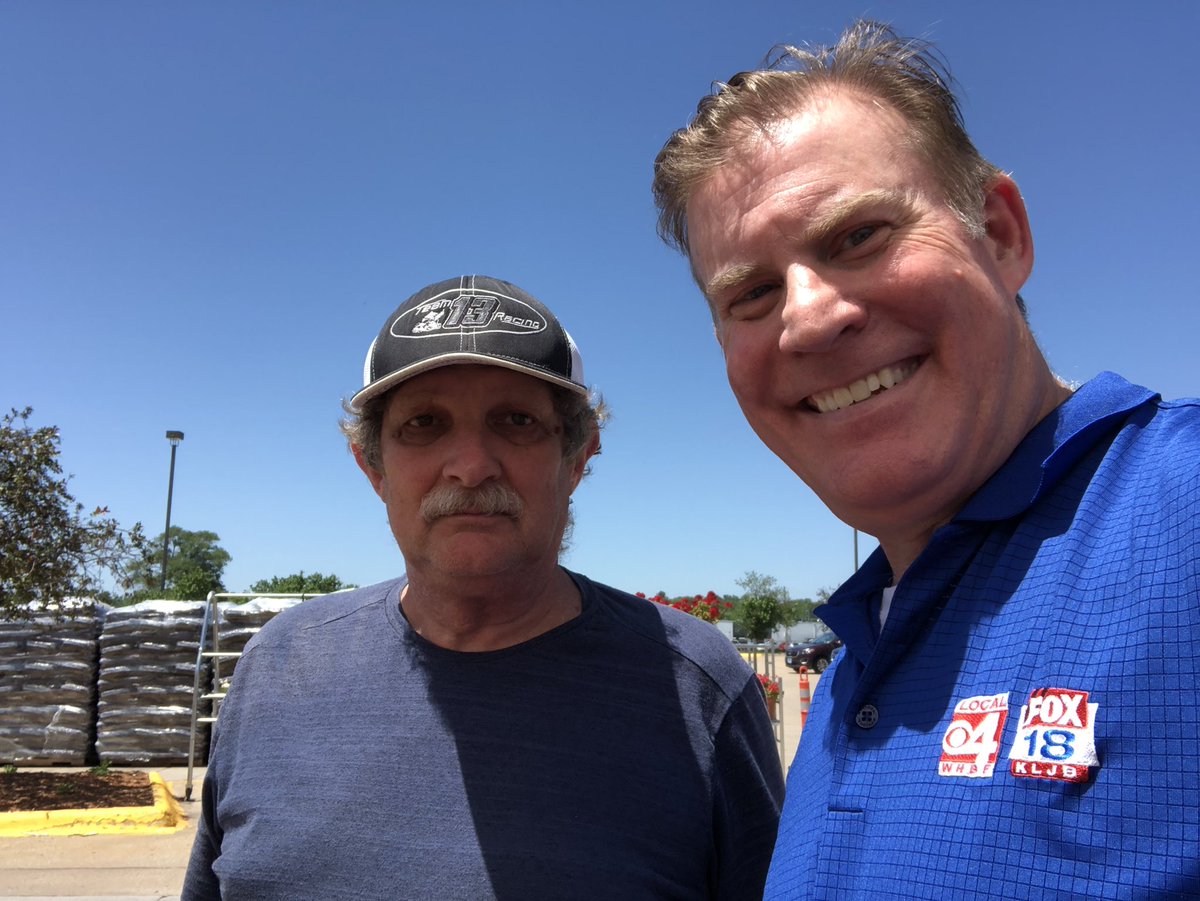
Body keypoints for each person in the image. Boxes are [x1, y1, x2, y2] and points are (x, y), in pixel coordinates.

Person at [652, 20, 1199, 899]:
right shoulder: (845, 682)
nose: (807, 316)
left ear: (1001, 232)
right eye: (750, 293)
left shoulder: (1180, 513)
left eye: (858, 236)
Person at [181, 274, 783, 899]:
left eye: (516, 420)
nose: (470, 465)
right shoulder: (278, 668)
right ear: (373, 467)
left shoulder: (697, 689)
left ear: (578, 458)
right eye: (424, 423)